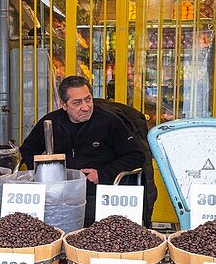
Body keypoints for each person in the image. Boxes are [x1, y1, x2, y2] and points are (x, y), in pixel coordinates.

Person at [19, 75, 148, 225]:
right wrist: (43, 173)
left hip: (99, 191)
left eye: (88, 99)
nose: (86, 107)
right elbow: (27, 149)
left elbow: (136, 156)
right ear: (63, 104)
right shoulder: (51, 122)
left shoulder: (109, 122)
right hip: (61, 192)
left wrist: (102, 174)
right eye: (77, 103)